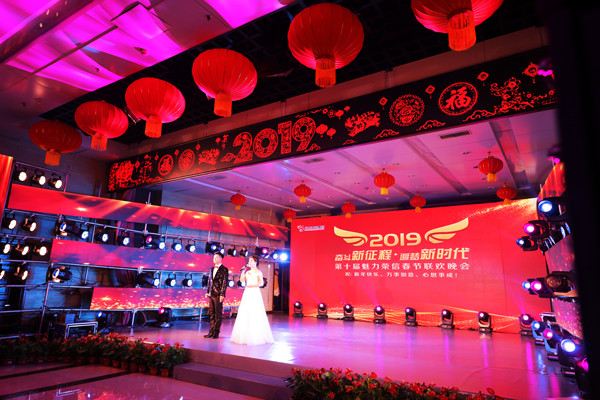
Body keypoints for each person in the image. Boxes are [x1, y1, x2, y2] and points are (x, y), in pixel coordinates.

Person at [230, 256, 274, 345]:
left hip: (254, 292)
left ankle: (255, 335)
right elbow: (242, 280)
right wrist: (242, 272)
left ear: (255, 262)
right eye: (249, 261)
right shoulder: (247, 272)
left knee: (254, 311)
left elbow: (261, 283)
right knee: (246, 311)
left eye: (251, 261)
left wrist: (252, 285)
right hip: (247, 292)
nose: (249, 262)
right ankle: (244, 335)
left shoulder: (259, 272)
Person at [204, 252, 229, 339]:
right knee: (211, 313)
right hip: (211, 293)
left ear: (221, 258)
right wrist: (207, 291)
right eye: (214, 257)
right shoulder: (211, 269)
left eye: (216, 257)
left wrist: (222, 294)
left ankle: (216, 332)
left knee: (218, 314)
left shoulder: (224, 269)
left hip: (218, 294)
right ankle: (211, 331)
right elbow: (209, 281)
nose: (214, 259)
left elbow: (224, 282)